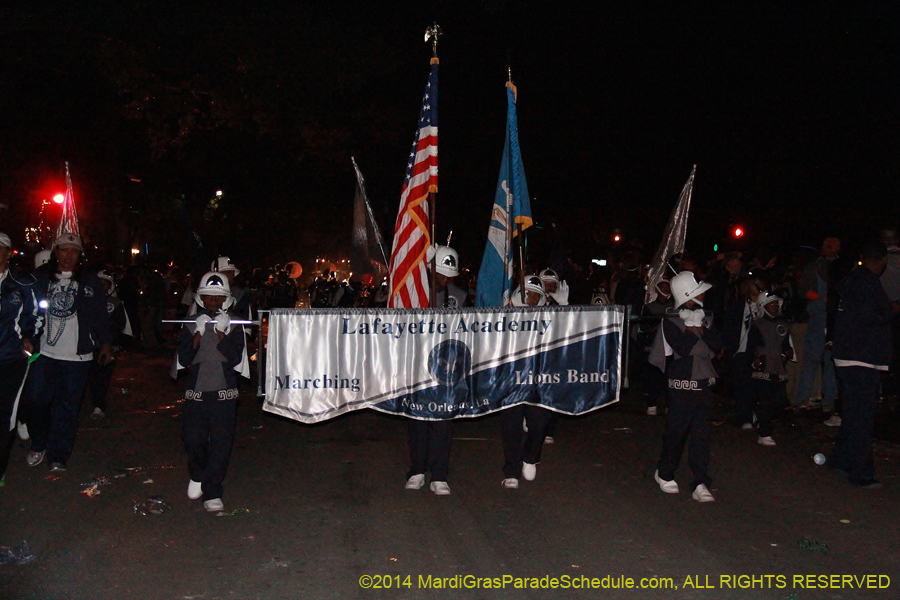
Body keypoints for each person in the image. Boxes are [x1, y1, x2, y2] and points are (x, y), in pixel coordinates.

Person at [26, 233, 112, 472]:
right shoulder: (41, 278)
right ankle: (39, 442)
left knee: (68, 407)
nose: (68, 255)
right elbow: (27, 309)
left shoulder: (89, 281)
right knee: (36, 400)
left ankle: (58, 456)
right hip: (44, 352)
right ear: (56, 252)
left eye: (74, 251)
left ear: (79, 255)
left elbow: (100, 314)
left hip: (77, 356)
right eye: (64, 250)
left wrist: (105, 343)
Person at [649, 271, 722, 503]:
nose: (703, 296)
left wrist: (701, 327)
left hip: (704, 384)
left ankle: (700, 481)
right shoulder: (670, 321)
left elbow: (717, 346)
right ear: (687, 296)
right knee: (677, 430)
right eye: (698, 292)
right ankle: (664, 472)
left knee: (702, 434)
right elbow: (682, 349)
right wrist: (691, 332)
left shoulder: (705, 318)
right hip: (681, 384)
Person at [176, 271, 247, 511]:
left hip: (224, 394)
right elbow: (184, 359)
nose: (213, 303)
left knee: (220, 443)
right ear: (201, 299)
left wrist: (222, 334)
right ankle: (197, 473)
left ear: (225, 300)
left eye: (218, 298)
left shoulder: (234, 325)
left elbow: (235, 358)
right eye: (209, 298)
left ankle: (213, 491)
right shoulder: (189, 325)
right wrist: (196, 332)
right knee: (193, 438)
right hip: (196, 393)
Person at [830, 242, 895, 489]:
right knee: (862, 416)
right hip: (862, 357)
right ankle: (861, 471)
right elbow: (869, 316)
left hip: (852, 355)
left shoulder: (854, 280)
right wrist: (890, 311)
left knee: (854, 412)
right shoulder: (866, 283)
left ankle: (842, 459)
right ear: (881, 261)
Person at [405, 245, 464, 496]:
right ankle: (417, 471)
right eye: (440, 273)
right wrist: (420, 271)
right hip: (417, 364)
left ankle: (439, 475)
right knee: (417, 418)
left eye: (447, 275)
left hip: (445, 366)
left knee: (442, 421)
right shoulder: (416, 291)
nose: (444, 279)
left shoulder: (459, 296)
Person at [500, 275, 553, 489]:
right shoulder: (505, 316)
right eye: (528, 294)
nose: (531, 299)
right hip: (511, 379)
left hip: (538, 379)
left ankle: (530, 456)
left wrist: (564, 306)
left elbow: (569, 328)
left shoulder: (549, 316)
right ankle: (511, 470)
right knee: (511, 426)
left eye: (536, 296)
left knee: (539, 423)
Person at [0, 233, 38, 486]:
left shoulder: (22, 283)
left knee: (4, 415)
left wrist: (28, 337)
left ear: (8, 253)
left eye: (0, 249)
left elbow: (34, 316)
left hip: (10, 358)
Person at [747, 291, 794, 446]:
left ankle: (761, 418)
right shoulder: (757, 325)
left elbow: (785, 344)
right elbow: (752, 346)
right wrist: (755, 360)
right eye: (771, 303)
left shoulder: (783, 324)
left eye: (776, 303)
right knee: (766, 400)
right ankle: (764, 433)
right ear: (763, 306)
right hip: (764, 367)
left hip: (778, 367)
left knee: (780, 401)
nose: (775, 306)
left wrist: (787, 352)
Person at [87, 270, 133, 419]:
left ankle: (99, 406)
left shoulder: (115, 303)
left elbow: (121, 324)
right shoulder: (86, 301)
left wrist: (112, 342)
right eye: (99, 284)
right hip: (88, 347)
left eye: (105, 284)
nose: (102, 287)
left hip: (106, 347)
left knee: (102, 377)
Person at [636, 279, 673, 416]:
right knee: (653, 375)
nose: (665, 289)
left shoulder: (674, 308)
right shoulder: (649, 307)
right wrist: (657, 326)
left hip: (670, 346)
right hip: (654, 346)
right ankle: (651, 403)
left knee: (670, 377)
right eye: (662, 287)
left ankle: (670, 405)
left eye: (668, 287)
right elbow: (643, 326)